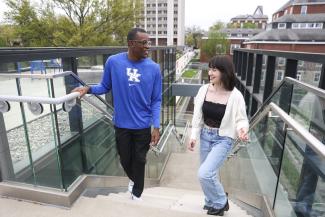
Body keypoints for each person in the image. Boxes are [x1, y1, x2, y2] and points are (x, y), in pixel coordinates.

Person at [73, 28, 162, 201]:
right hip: (121, 124)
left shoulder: (154, 68)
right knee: (124, 159)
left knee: (140, 159)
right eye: (144, 43)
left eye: (148, 42)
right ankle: (134, 180)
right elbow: (104, 86)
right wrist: (89, 88)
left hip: (143, 125)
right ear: (131, 44)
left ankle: (137, 193)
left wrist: (156, 126)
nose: (148, 46)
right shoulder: (113, 62)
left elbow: (156, 100)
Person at [188, 55, 249, 216]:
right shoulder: (203, 90)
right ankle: (210, 201)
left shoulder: (235, 96)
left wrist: (242, 129)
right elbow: (197, 116)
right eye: (210, 69)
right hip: (205, 135)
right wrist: (193, 135)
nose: (210, 73)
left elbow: (241, 119)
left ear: (224, 72)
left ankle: (221, 202)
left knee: (204, 173)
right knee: (209, 173)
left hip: (223, 139)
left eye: (214, 69)